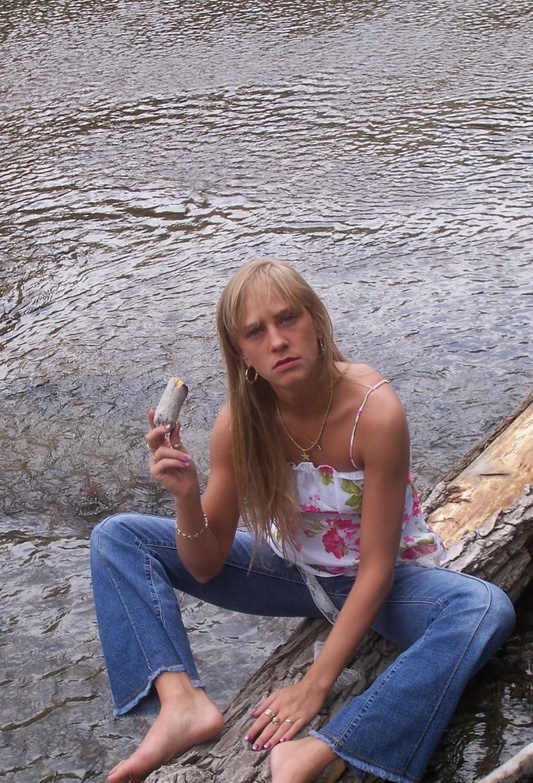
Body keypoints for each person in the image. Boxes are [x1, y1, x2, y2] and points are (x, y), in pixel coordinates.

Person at [90, 259, 516, 783]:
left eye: (287, 318)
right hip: (294, 574)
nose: (277, 341)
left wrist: (314, 685)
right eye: (255, 332)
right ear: (241, 353)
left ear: (316, 322)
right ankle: (181, 704)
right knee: (118, 538)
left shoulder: (374, 412)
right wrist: (185, 496)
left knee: (483, 608)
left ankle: (327, 746)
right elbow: (205, 566)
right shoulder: (239, 423)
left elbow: (377, 570)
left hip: (386, 584)